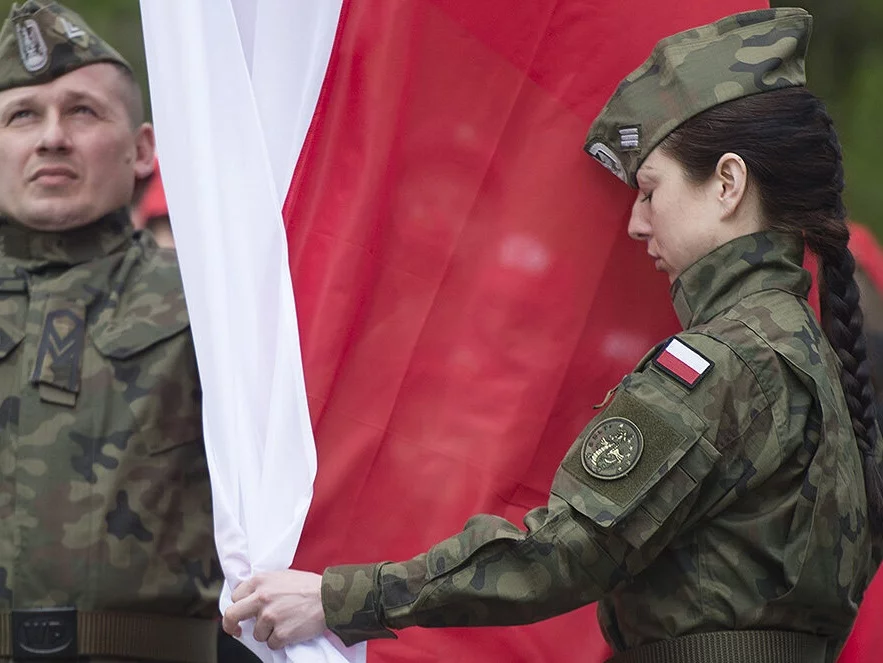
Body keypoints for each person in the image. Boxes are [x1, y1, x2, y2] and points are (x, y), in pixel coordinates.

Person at [223, 7, 883, 662]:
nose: (634, 223)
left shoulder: (723, 359)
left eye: (650, 190)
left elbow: (564, 549)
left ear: (727, 184)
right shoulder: (809, 355)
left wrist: (341, 597)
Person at [0, 2, 262, 661]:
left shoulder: (213, 301)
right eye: (22, 115)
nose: (51, 136)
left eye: (82, 111)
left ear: (144, 148)